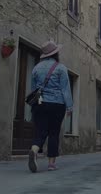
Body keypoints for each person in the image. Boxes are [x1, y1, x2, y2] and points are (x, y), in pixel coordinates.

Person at [28, 41, 73, 173]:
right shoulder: (61, 68)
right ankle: (51, 164)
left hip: (40, 103)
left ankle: (34, 150)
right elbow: (65, 89)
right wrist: (69, 106)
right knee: (54, 132)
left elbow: (33, 89)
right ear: (56, 54)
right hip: (57, 104)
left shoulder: (36, 68)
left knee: (41, 130)